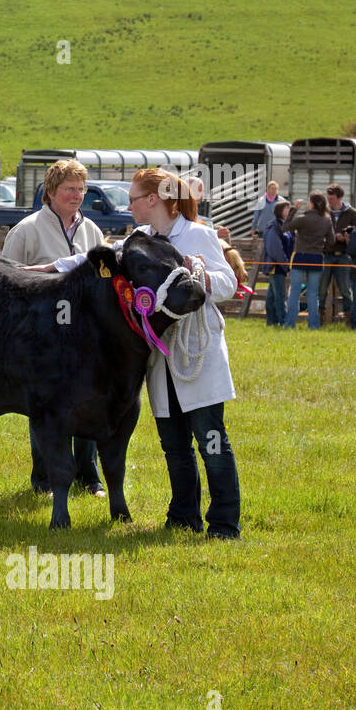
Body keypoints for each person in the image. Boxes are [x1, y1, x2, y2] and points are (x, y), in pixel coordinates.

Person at [125, 170, 242, 538]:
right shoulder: (139, 240)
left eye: (133, 199)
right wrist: (48, 270)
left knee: (211, 441)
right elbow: (96, 261)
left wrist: (199, 273)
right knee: (174, 445)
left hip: (197, 351)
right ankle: (182, 516)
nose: (128, 206)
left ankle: (224, 524)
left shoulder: (199, 234)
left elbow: (230, 283)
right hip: (161, 355)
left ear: (154, 200)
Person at [2, 158, 106, 497]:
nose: (77, 196)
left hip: (85, 335)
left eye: (81, 189)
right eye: (69, 189)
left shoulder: (92, 231)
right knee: (45, 405)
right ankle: (44, 477)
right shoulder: (26, 230)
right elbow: (7, 280)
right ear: (50, 192)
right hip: (42, 335)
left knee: (88, 401)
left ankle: (88, 477)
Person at [282, 191, 331, 329]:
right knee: (313, 293)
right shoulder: (327, 220)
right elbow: (331, 241)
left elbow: (285, 227)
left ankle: (290, 324)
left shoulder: (302, 218)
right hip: (316, 258)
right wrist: (320, 246)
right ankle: (314, 325)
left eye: (309, 201)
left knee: (295, 292)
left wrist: (294, 210)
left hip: (300, 257)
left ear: (312, 203)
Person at [319, 183, 356, 326]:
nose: (329, 201)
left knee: (345, 290)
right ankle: (320, 318)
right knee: (322, 288)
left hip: (343, 254)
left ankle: (350, 319)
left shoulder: (352, 213)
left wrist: (346, 237)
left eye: (332, 198)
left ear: (340, 197)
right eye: (328, 198)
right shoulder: (323, 212)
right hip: (327, 254)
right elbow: (317, 230)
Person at [261, 199, 294, 327]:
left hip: (282, 266)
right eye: (286, 208)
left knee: (272, 295)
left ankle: (271, 321)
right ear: (280, 210)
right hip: (276, 266)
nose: (288, 211)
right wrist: (285, 263)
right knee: (280, 294)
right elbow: (274, 249)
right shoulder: (273, 226)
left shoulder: (286, 225)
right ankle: (282, 321)